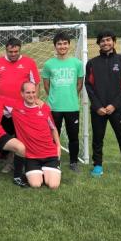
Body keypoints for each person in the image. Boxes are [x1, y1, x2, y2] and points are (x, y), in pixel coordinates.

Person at [85, 30, 121, 180]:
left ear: (114, 42)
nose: (105, 43)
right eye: (102, 40)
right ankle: (98, 165)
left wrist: (114, 105)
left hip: (118, 109)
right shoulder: (92, 63)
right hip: (99, 110)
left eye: (108, 40)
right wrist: (97, 106)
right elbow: (89, 86)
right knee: (97, 138)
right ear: (99, 44)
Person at [0, 37, 40, 185]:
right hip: (3, 107)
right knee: (4, 135)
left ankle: (16, 162)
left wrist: (34, 99)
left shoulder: (29, 62)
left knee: (22, 136)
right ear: (6, 49)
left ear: (20, 49)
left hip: (22, 107)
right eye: (10, 51)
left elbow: (36, 83)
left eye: (16, 51)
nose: (13, 54)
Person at [3, 82, 61, 189]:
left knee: (53, 185)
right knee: (35, 184)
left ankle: (46, 171)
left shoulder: (44, 108)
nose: (31, 95)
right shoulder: (15, 106)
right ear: (22, 94)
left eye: (33, 92)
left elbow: (53, 128)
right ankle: (36, 172)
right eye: (28, 92)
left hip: (49, 153)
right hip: (31, 156)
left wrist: (58, 146)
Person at [42, 32, 84, 172]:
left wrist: (71, 95)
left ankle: (73, 162)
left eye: (65, 43)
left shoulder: (77, 63)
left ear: (69, 45)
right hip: (54, 107)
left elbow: (79, 84)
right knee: (53, 135)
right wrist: (55, 97)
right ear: (55, 46)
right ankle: (54, 160)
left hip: (72, 106)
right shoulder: (48, 64)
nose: (62, 46)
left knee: (73, 136)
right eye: (59, 44)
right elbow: (47, 86)